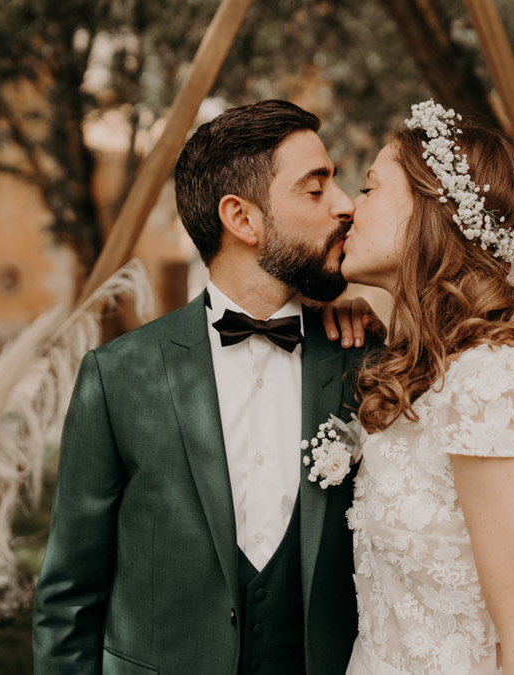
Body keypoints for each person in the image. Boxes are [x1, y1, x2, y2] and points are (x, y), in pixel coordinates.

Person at [33, 99, 372, 674]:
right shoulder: (117, 377)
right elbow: (69, 597)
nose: (345, 206)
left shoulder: (364, 362)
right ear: (242, 219)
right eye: (315, 190)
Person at [336, 100, 514, 675]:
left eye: (370, 188)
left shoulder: (497, 384)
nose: (350, 207)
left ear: (433, 211)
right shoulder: (426, 372)